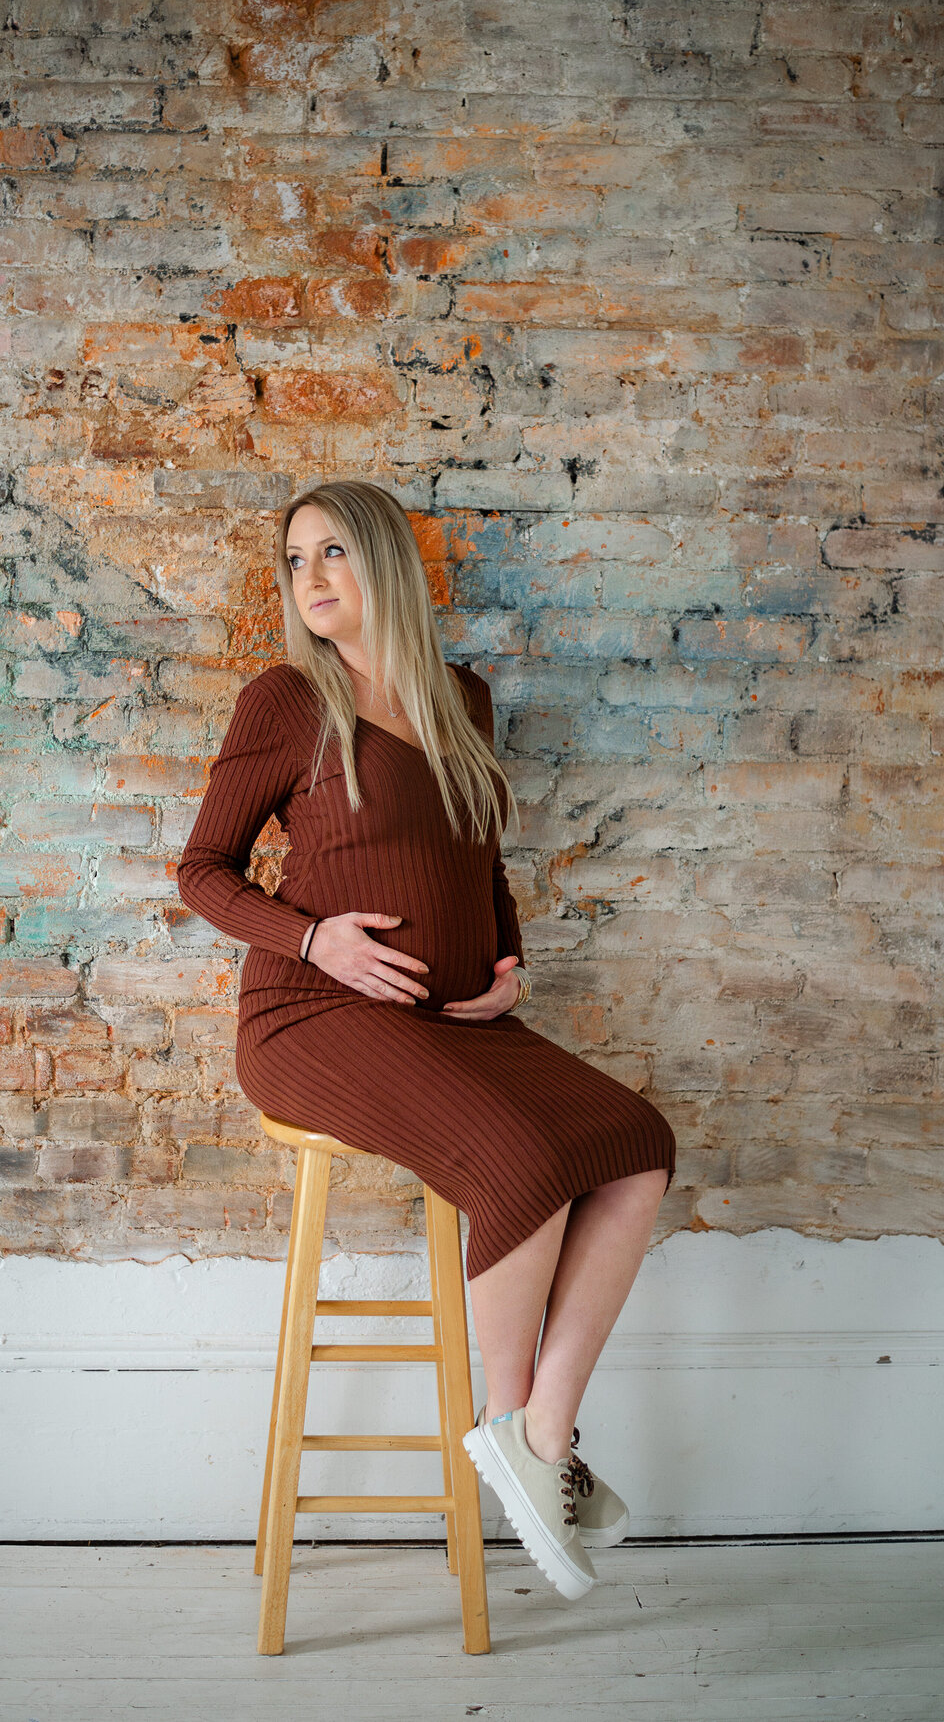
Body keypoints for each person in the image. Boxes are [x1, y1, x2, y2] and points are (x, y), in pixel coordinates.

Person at [176, 479, 677, 1602]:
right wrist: (313, 943)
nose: (309, 577)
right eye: (295, 557)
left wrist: (507, 964)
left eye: (334, 552)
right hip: (309, 1017)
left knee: (637, 1143)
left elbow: (476, 854)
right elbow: (201, 872)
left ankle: (539, 1432)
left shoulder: (463, 696)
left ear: (388, 565)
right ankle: (513, 1426)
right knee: (523, 1160)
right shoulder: (287, 702)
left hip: (447, 1026)